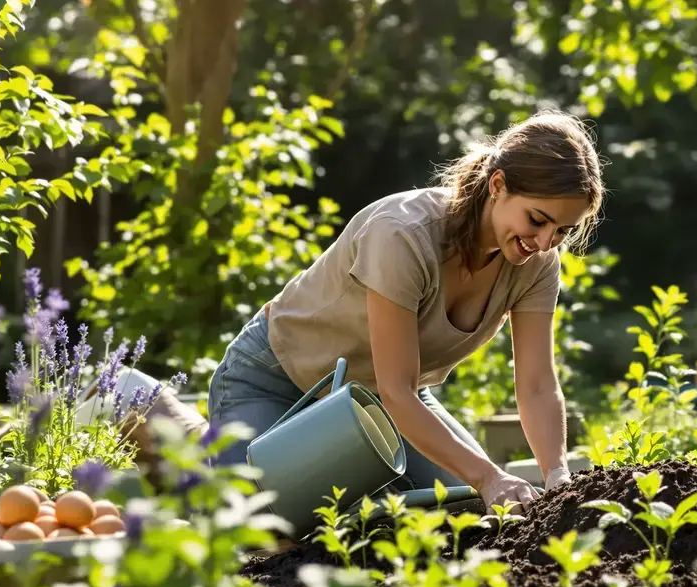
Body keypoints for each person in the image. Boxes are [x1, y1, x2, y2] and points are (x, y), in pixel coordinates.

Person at [206, 110, 606, 513]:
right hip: (277, 383)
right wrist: (488, 475)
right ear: (498, 185)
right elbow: (398, 391)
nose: (544, 241)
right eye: (537, 220)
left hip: (379, 404)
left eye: (563, 231)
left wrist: (558, 479)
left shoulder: (537, 265)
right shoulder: (402, 234)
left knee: (465, 515)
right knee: (263, 536)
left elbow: (536, 385)